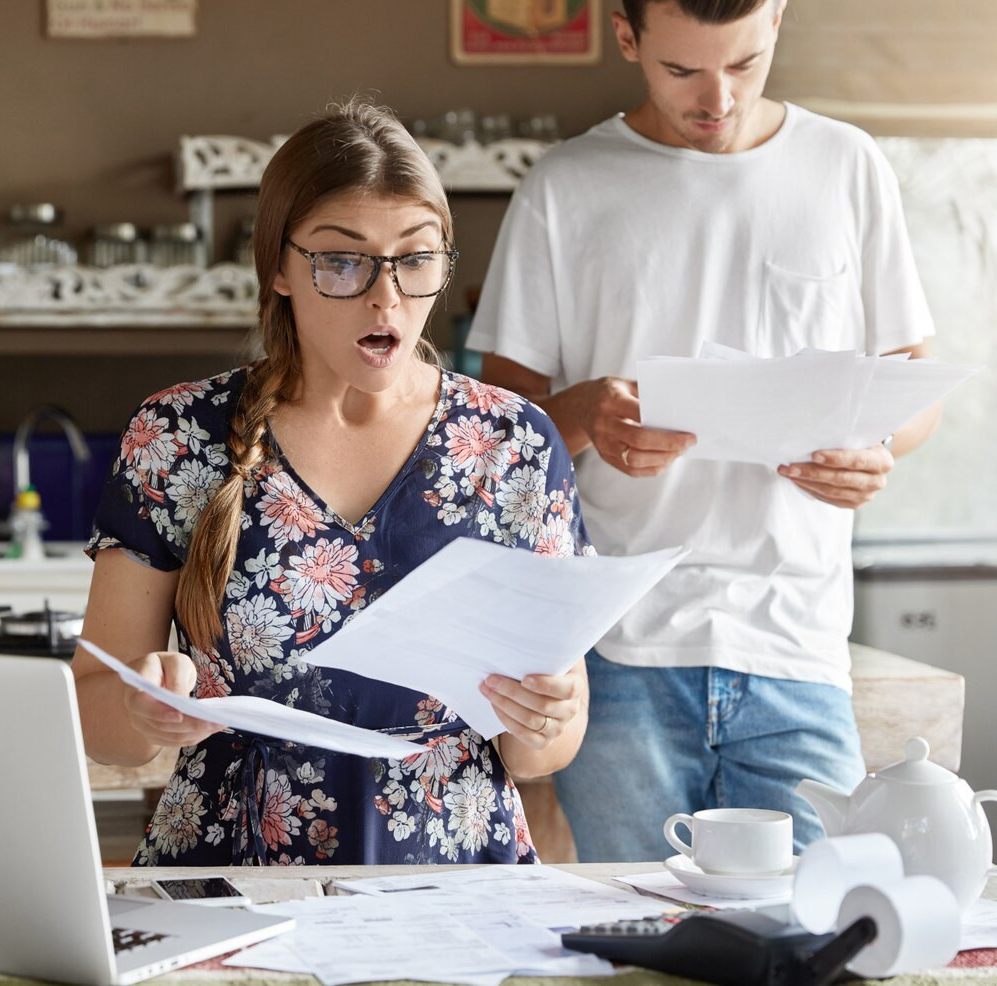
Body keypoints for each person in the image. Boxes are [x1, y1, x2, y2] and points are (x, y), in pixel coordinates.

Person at [468, 0, 941, 861]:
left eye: (745, 64)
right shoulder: (565, 184)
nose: (716, 99)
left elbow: (915, 387)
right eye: (682, 71)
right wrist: (584, 415)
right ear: (626, 38)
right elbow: (500, 427)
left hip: (796, 641)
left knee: (814, 930)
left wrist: (877, 449)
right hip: (619, 649)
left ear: (778, 22)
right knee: (643, 943)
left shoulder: (847, 165)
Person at [72, 100, 593, 866]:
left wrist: (549, 718)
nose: (386, 298)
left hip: (456, 883)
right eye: (342, 261)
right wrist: (141, 708)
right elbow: (94, 712)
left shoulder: (516, 444)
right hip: (232, 875)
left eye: (415, 258)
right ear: (279, 268)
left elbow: (542, 751)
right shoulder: (178, 435)